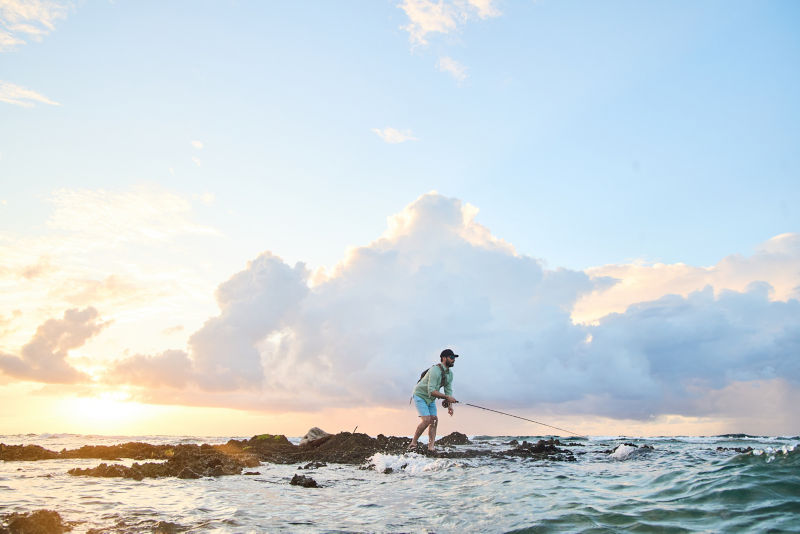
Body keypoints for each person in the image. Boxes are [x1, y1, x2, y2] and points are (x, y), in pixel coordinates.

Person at [408, 348, 459, 452]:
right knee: (427, 420)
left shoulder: (450, 374)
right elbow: (431, 391)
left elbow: (448, 391)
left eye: (454, 358)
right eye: (452, 357)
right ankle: (413, 443)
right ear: (444, 358)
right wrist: (447, 398)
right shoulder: (435, 370)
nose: (454, 360)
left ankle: (431, 447)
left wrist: (450, 406)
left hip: (430, 399)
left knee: (434, 420)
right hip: (420, 395)